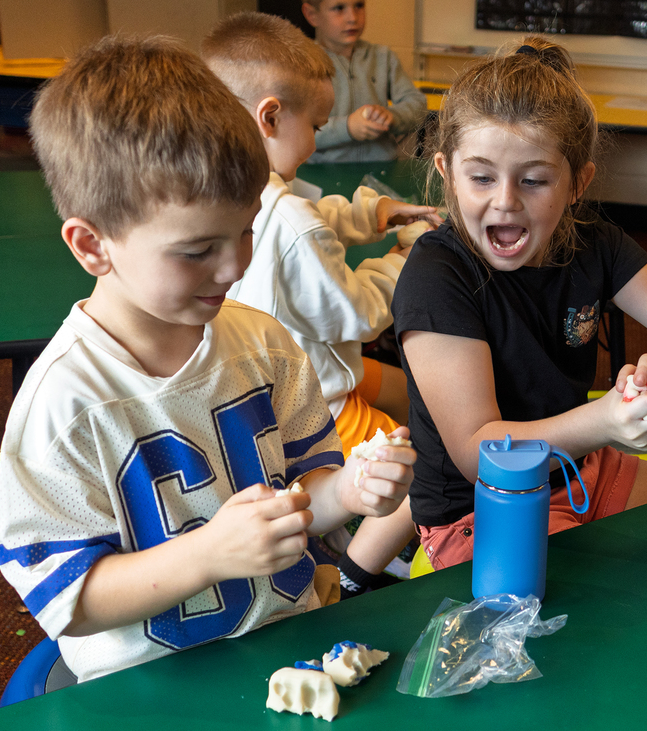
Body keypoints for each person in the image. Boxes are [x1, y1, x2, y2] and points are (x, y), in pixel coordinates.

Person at [0, 35, 415, 683]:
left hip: (288, 645)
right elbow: (66, 599)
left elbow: (305, 498)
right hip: (150, 682)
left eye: (245, 230)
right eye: (196, 249)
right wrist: (208, 555)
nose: (235, 265)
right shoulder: (64, 402)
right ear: (91, 245)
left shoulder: (266, 345)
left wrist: (352, 489)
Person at [392, 37, 647, 570]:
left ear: (578, 182)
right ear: (446, 171)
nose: (506, 200)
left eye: (534, 180)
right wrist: (603, 422)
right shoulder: (436, 275)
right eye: (481, 177)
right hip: (479, 509)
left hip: (583, 468)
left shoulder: (593, 242)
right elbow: (479, 454)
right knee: (601, 619)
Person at [202, 12, 436, 599]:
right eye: (317, 124)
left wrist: (377, 214)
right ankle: (359, 569)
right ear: (271, 116)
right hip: (315, 398)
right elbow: (358, 313)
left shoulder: (238, 188)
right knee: (425, 462)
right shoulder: (289, 220)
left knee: (414, 391)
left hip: (277, 385)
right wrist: (408, 256)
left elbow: (316, 215)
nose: (318, 137)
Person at [301, 0, 427, 163]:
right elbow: (294, 132)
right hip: (323, 173)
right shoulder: (300, 64)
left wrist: (392, 117)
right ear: (312, 15)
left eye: (359, 6)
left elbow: (418, 105)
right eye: (339, 8)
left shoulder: (384, 57)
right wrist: (347, 128)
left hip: (381, 170)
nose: (352, 18)